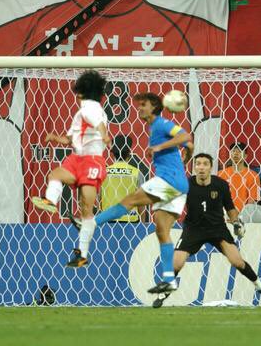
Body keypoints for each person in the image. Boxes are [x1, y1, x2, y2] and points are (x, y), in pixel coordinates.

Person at [71, 92, 193, 297]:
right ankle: (169, 279)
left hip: (169, 181)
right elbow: (189, 145)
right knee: (162, 231)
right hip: (179, 185)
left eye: (143, 105)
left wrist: (160, 147)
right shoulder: (154, 127)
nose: (139, 108)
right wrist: (185, 160)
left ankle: (91, 223)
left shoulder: (162, 124)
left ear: (154, 107)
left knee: (129, 201)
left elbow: (186, 136)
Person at [152, 153, 261, 308]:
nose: (201, 167)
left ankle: (260, 286)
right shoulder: (186, 184)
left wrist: (236, 223)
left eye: (205, 164)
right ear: (194, 167)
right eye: (198, 164)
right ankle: (164, 291)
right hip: (194, 228)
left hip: (217, 228)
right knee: (176, 262)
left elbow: (230, 208)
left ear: (210, 168)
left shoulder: (221, 185)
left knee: (237, 261)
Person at [32, 70, 110, 267]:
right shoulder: (82, 112)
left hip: (92, 160)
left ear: (81, 93)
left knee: (86, 208)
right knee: (56, 175)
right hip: (77, 159)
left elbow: (98, 123)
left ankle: (82, 253)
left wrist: (105, 135)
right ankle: (50, 200)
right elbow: (69, 139)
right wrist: (55, 138)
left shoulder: (89, 108)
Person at [100, 134, 145, 222]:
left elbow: (99, 199)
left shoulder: (104, 172)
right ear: (129, 153)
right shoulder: (136, 173)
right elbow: (141, 201)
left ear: (113, 154)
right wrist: (143, 224)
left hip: (108, 219)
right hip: (131, 221)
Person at [218, 142, 261, 213]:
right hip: (224, 215)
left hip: (245, 216)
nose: (236, 153)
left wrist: (240, 215)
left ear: (245, 156)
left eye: (239, 151)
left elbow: (252, 201)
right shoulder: (221, 174)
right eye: (233, 151)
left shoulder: (253, 175)